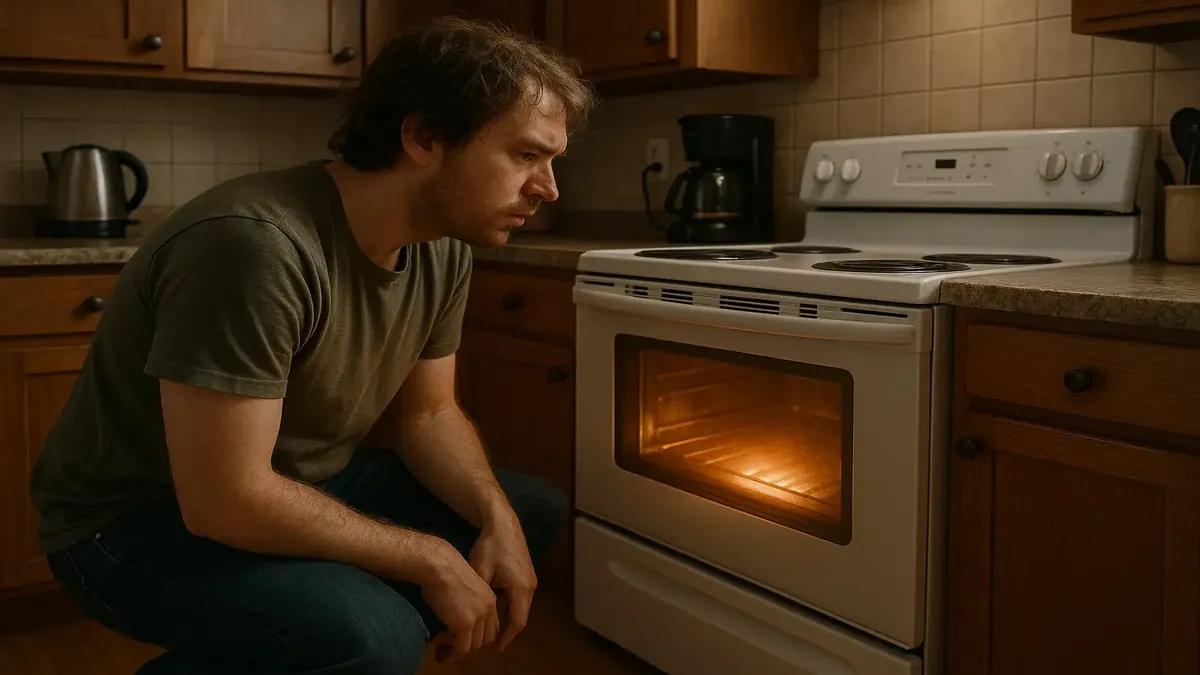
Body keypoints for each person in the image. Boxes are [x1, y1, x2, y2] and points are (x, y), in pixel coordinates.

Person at [28, 15, 596, 674]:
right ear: (423, 137)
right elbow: (225, 498)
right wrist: (426, 556)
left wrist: (494, 513)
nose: (548, 189)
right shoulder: (255, 246)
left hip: (294, 480)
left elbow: (428, 415)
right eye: (526, 155)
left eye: (553, 161)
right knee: (373, 634)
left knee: (524, 514)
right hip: (132, 523)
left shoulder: (441, 245)